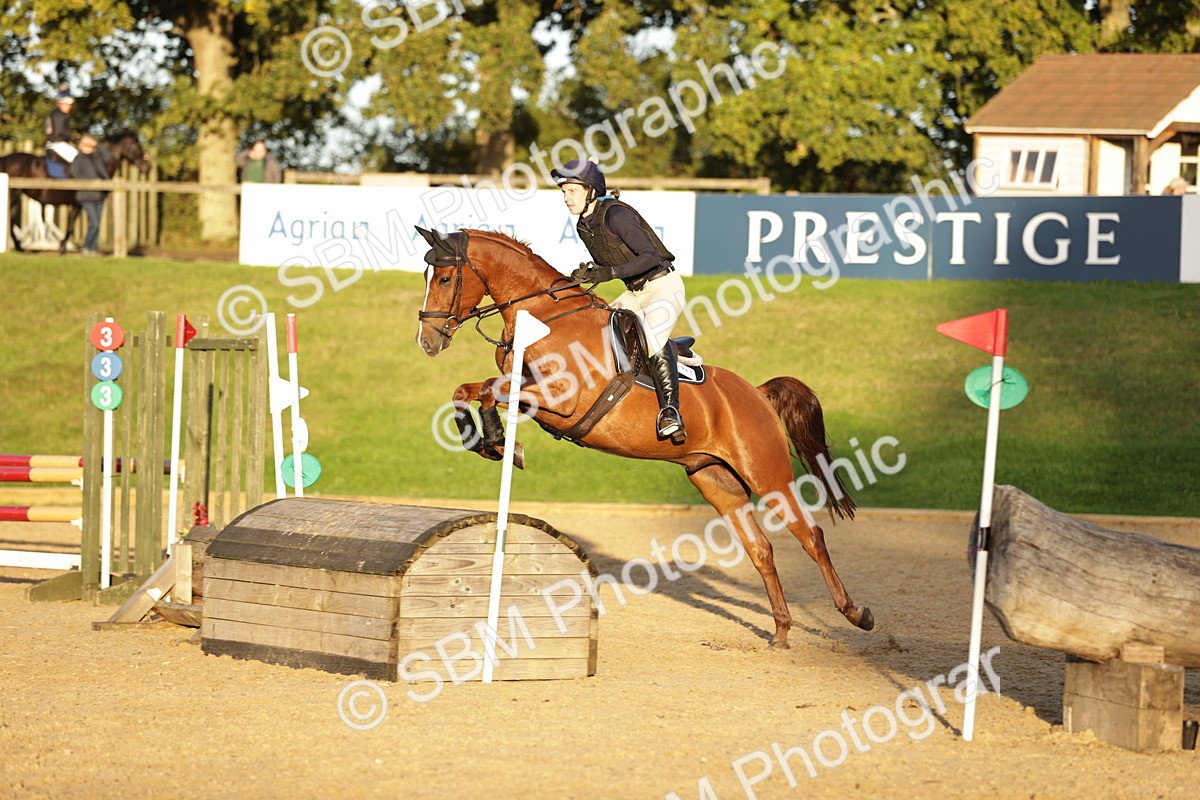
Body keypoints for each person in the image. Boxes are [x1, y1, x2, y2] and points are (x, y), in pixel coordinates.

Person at [552, 157, 689, 442]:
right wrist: (588, 274)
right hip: (634, 293)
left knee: (650, 337)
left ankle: (670, 412)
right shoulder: (583, 226)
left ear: (590, 191)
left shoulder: (617, 215)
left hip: (663, 286)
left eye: (571, 191)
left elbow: (650, 257)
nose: (566, 198)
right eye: (563, 191)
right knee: (597, 331)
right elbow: (609, 263)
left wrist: (609, 272)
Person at [72, 134, 110, 256]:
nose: (89, 147)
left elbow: (105, 172)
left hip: (99, 196)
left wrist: (97, 146)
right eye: (86, 144)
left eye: (91, 144)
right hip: (85, 196)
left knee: (97, 225)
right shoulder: (78, 159)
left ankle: (93, 250)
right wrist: (93, 181)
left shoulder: (97, 158)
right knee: (95, 223)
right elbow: (76, 175)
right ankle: (86, 247)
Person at [45, 89, 78, 165]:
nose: (69, 106)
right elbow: (60, 131)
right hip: (57, 144)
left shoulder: (56, 114)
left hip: (56, 143)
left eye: (70, 104)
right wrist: (74, 137)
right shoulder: (59, 115)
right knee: (78, 159)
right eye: (66, 104)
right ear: (59, 103)